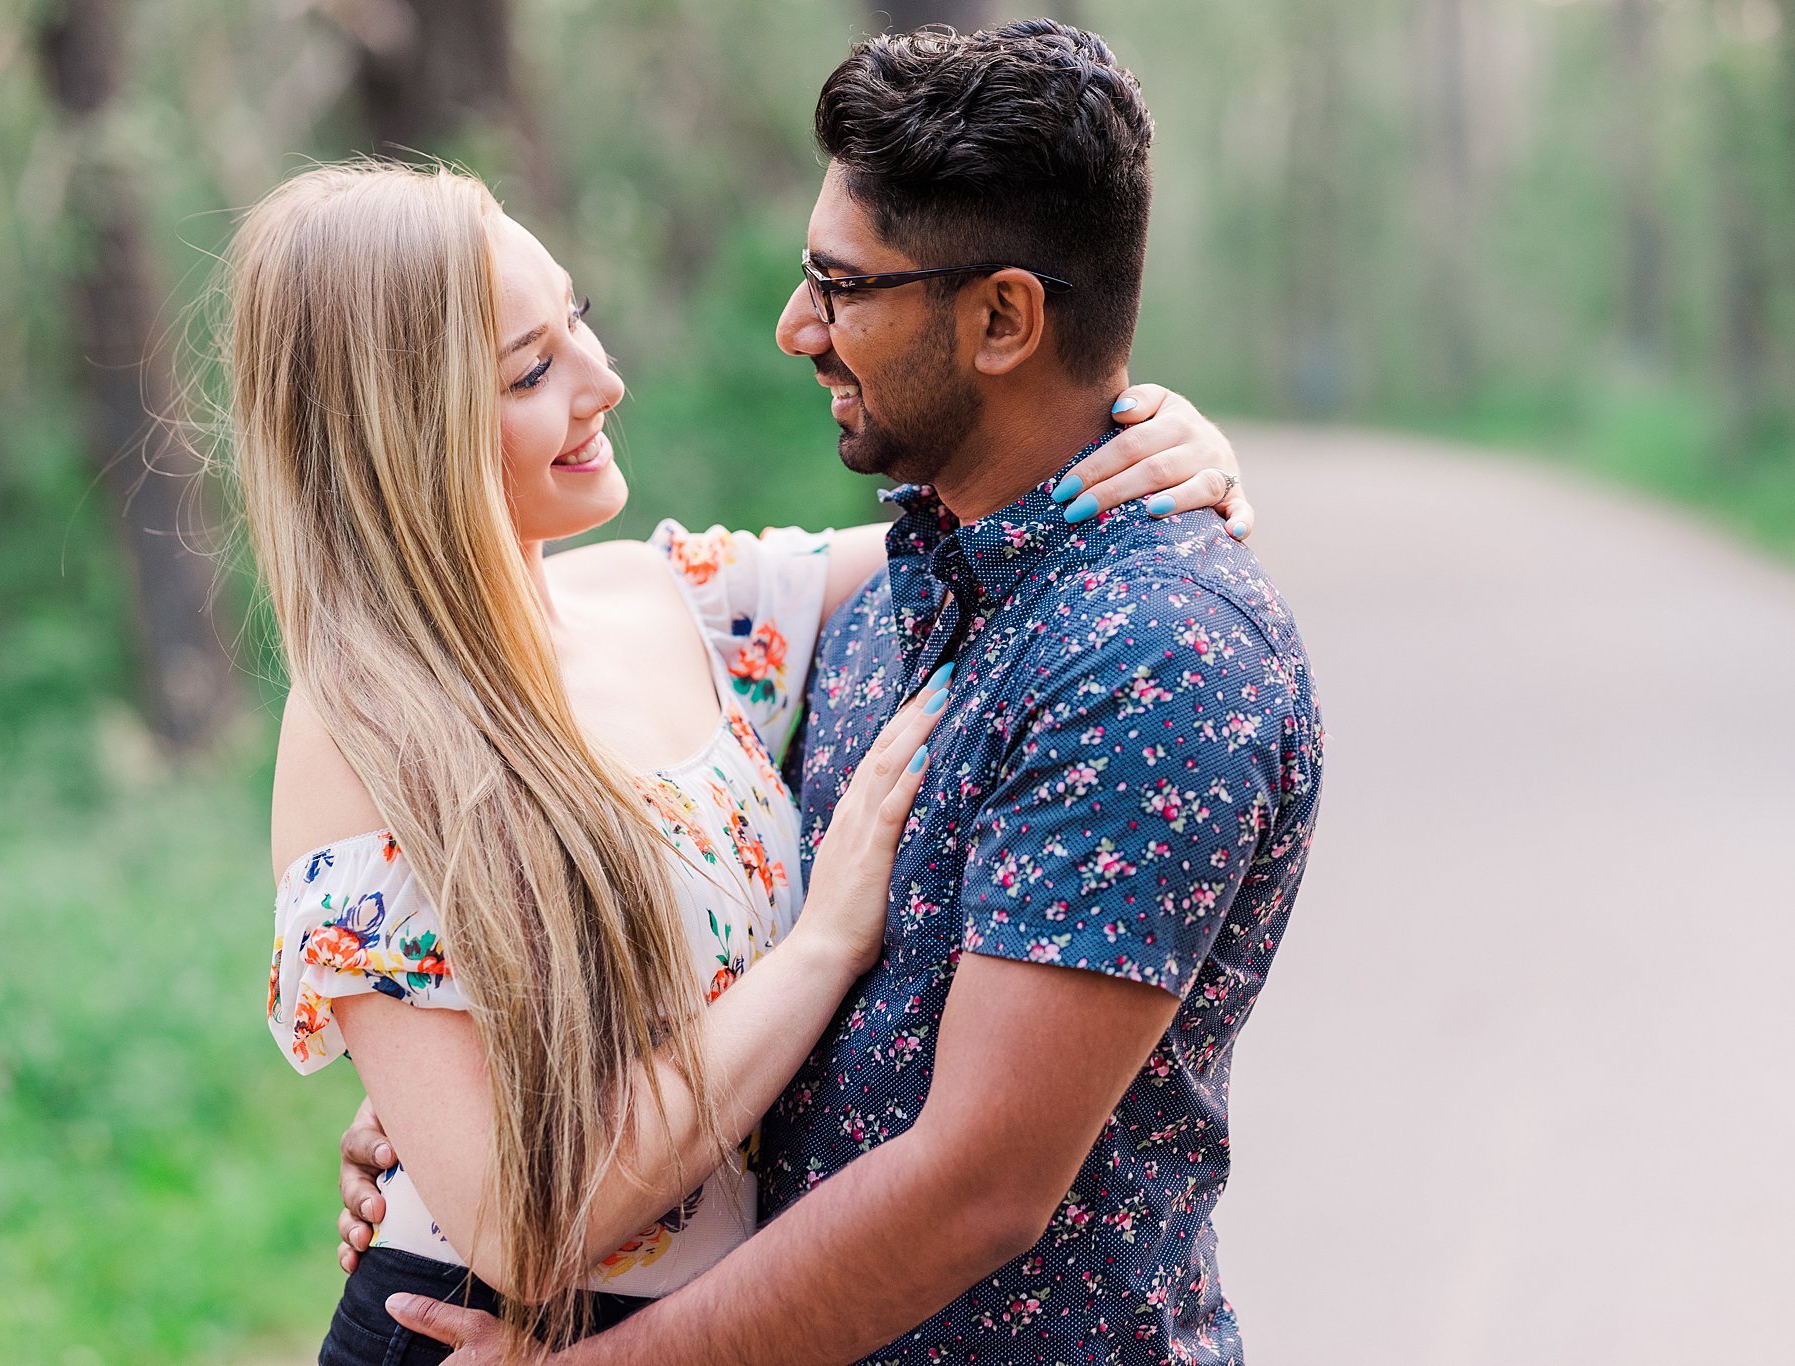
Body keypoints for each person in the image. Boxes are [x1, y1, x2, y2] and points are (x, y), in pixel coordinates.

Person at [362, 20, 1325, 1366]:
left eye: (840, 284)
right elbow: (748, 924)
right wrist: (476, 1110)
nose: (793, 325)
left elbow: (976, 1186)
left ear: (1003, 318)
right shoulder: (896, 590)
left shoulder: (1154, 652)